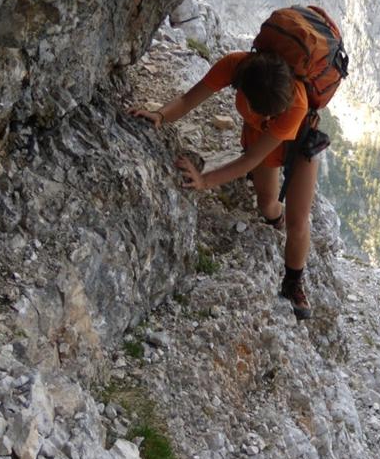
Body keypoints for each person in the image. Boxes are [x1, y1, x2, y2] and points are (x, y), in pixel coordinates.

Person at [128, 50, 318, 319]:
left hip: (302, 142)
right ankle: (276, 220)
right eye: (261, 112)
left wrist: (205, 180)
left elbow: (252, 158)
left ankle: (293, 282)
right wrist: (160, 115)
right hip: (262, 137)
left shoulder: (295, 103)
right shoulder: (236, 66)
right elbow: (188, 98)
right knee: (266, 204)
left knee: (299, 220)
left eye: (272, 114)